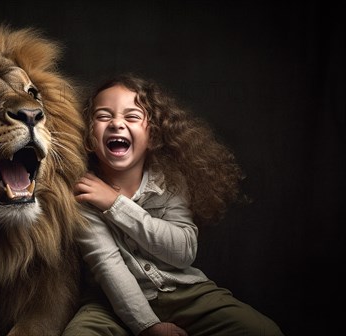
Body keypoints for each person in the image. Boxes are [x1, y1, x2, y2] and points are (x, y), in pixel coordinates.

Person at [63, 74, 283, 336]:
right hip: (111, 301)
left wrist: (115, 204)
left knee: (263, 331)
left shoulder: (170, 181)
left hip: (185, 292)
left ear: (153, 135)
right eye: (103, 116)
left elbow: (183, 252)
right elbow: (107, 264)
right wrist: (148, 326)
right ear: (88, 136)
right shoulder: (82, 193)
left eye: (132, 116)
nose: (117, 123)